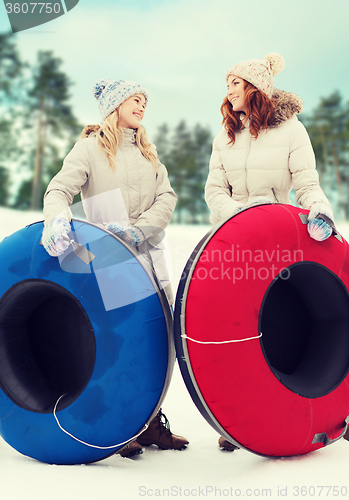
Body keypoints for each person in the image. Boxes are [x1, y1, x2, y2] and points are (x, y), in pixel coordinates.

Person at [41, 79, 189, 458]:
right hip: (108, 260)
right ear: (115, 104)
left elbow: (167, 198)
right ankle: (127, 425)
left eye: (145, 101)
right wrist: (56, 220)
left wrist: (139, 229)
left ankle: (152, 421)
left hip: (151, 255)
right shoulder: (90, 149)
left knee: (163, 343)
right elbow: (59, 190)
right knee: (125, 342)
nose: (142, 106)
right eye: (135, 99)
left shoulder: (148, 153)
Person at [204, 53, 335, 451]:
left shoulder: (292, 131)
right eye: (227, 84)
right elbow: (214, 191)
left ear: (255, 89)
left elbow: (307, 184)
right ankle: (235, 422)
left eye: (235, 83)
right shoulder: (224, 136)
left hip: (277, 244)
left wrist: (320, 210)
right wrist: (237, 218)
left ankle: (302, 410)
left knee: (276, 319)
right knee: (233, 330)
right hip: (233, 241)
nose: (228, 91)